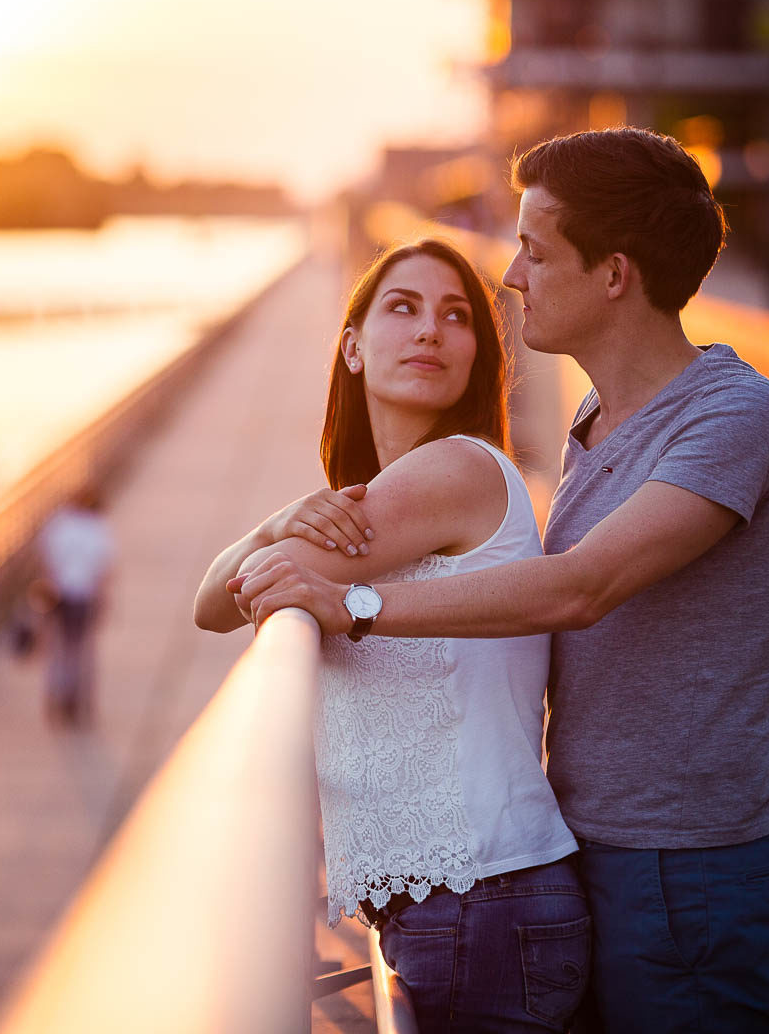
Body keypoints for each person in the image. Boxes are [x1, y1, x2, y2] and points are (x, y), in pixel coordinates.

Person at [234, 127, 769, 1032]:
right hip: (587, 849)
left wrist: (353, 608)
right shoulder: (595, 422)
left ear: (614, 274)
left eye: (536, 253)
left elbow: (581, 587)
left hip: (688, 871)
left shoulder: (736, 416)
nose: (512, 277)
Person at [196, 238, 589, 1033]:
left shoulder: (456, 471)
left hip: (481, 901)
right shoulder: (379, 497)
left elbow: (233, 590)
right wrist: (278, 519)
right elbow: (214, 599)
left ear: (479, 355)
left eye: (455, 316)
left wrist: (276, 537)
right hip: (463, 907)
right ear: (351, 347)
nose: (430, 331)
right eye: (402, 308)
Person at [36, 487, 115, 726]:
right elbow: (104, 571)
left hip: (59, 596)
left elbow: (45, 563)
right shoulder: (98, 529)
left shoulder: (59, 525)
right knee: (82, 651)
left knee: (57, 649)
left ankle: (55, 697)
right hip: (85, 597)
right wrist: (104, 601)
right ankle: (78, 703)